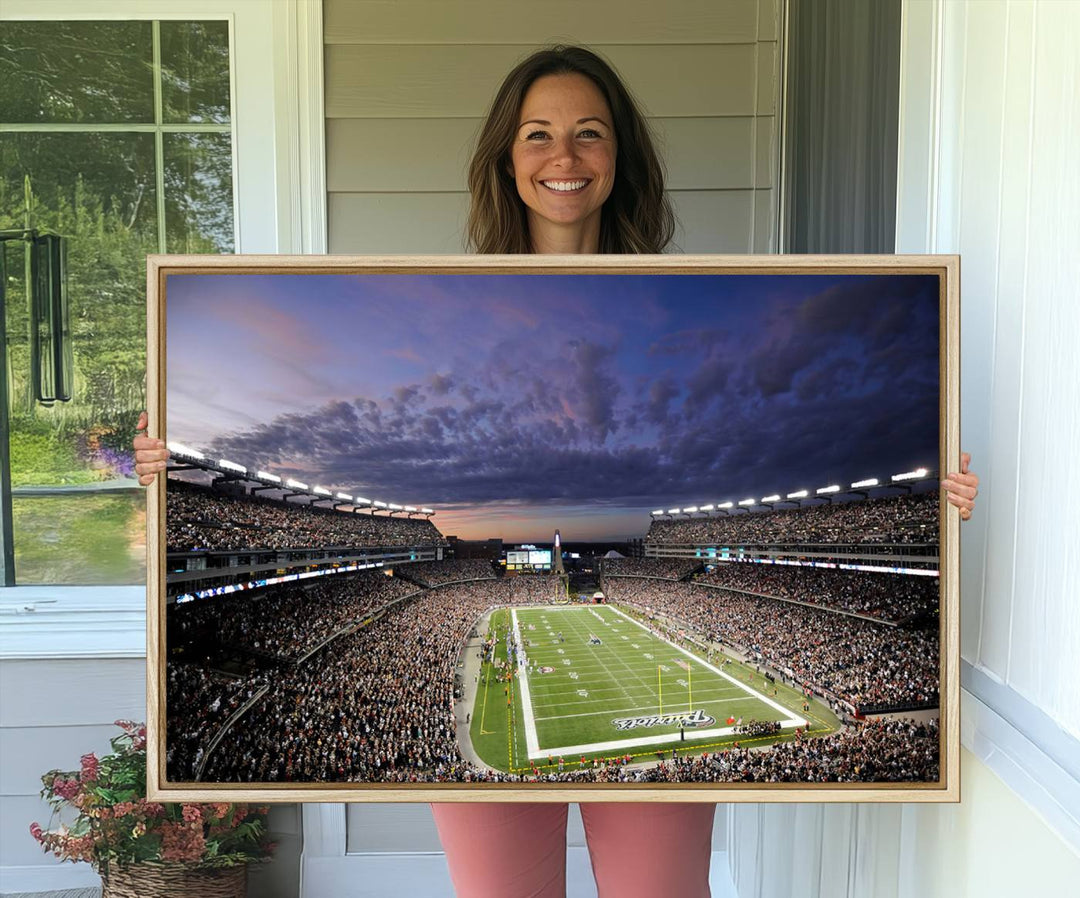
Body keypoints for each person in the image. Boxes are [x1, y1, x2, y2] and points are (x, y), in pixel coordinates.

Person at [134, 44, 980, 898]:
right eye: (538, 134)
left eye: (589, 133)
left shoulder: (685, 296)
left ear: (620, 158)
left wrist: (933, 503)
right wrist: (167, 470)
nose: (563, 157)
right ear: (507, 157)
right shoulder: (452, 305)